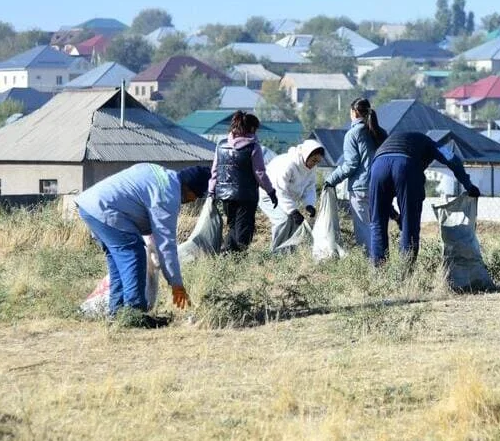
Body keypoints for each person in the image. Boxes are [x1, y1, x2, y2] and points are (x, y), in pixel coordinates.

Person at [74, 163, 208, 320]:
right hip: (105, 210)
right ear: (190, 188)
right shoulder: (168, 195)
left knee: (118, 264)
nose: (193, 201)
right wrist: (176, 284)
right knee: (133, 255)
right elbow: (166, 246)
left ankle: (117, 313)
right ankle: (135, 313)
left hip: (90, 206)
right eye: (197, 196)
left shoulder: (162, 175)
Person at [368, 131, 481, 266]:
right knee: (409, 225)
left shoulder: (391, 142)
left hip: (377, 167)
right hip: (405, 165)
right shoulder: (430, 143)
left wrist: (395, 216)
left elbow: (380, 203)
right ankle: (405, 274)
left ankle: (379, 273)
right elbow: (452, 159)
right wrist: (468, 185)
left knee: (377, 224)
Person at [208, 111, 278, 252]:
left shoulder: (221, 145)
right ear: (251, 128)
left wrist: (211, 191)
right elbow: (260, 173)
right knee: (244, 231)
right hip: (246, 196)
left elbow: (215, 171)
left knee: (234, 226)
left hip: (225, 196)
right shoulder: (253, 147)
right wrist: (271, 192)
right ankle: (233, 257)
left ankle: (227, 256)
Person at [323, 98, 388, 249]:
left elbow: (351, 165)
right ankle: (383, 261)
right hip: (381, 186)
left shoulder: (353, 134)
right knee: (378, 227)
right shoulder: (381, 132)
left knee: (364, 230)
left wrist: (331, 180)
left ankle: (370, 265)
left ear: (353, 112)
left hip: (361, 188)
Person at [260, 139, 326, 252]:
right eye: (314, 160)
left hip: (286, 198)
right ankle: (275, 253)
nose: (314, 164)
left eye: (317, 162)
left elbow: (310, 187)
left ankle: (288, 253)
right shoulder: (288, 164)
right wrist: (292, 210)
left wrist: (309, 204)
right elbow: (279, 190)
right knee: (283, 220)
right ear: (306, 154)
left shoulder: (311, 168)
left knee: (295, 222)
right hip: (269, 195)